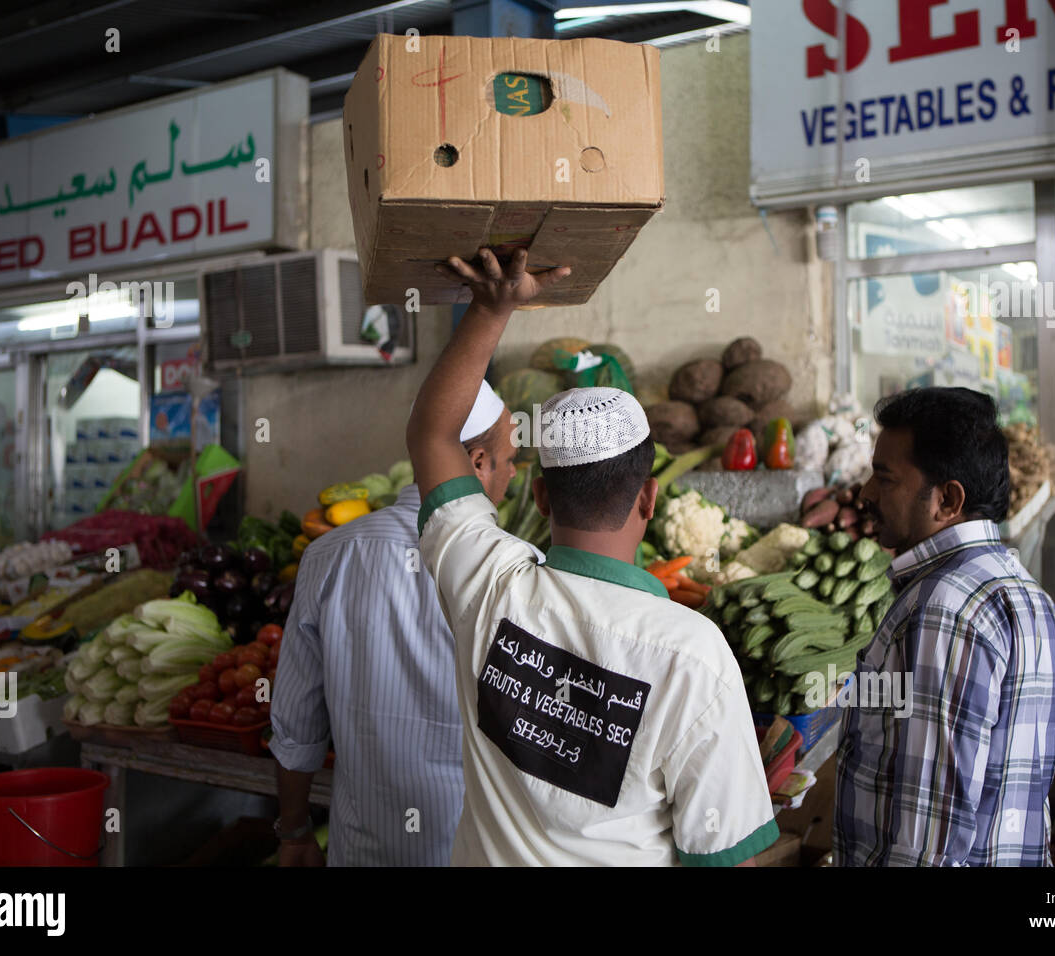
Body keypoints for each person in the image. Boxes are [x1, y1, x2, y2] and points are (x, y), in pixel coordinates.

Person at [406, 247, 777, 866]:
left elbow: (432, 433)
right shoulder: (693, 655)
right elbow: (724, 856)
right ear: (650, 498)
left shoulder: (490, 583)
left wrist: (493, 309)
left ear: (541, 496)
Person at [270, 380, 519, 866]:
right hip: (477, 851)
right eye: (509, 461)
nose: (511, 475)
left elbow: (296, 727)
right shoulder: (518, 571)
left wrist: (294, 829)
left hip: (362, 848)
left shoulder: (328, 555)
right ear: (478, 463)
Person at [833, 387, 1055, 866]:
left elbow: (927, 841)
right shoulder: (1030, 597)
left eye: (884, 478)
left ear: (947, 499)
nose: (866, 494)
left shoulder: (943, 610)